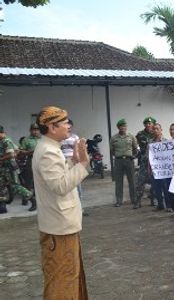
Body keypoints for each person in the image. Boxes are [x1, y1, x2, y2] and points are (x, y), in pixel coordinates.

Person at [33, 106, 90, 299]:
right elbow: (60, 186)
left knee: (70, 273)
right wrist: (82, 164)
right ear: (51, 127)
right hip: (59, 226)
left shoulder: (51, 147)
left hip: (60, 223)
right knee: (63, 278)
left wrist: (74, 161)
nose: (68, 126)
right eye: (65, 122)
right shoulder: (48, 151)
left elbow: (60, 176)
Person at [0, 125, 35, 213]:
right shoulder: (3, 141)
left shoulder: (6, 141)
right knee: (1, 186)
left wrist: (1, 159)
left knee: (15, 186)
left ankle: (32, 199)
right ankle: (2, 206)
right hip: (4, 168)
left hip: (9, 167)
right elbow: (17, 150)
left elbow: (11, 154)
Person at [110, 119, 138, 207]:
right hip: (118, 161)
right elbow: (112, 150)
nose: (123, 128)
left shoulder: (131, 137)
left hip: (129, 160)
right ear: (118, 127)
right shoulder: (114, 138)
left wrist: (132, 156)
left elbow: (135, 148)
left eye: (124, 126)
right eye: (121, 126)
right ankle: (119, 201)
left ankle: (134, 200)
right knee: (118, 181)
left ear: (126, 127)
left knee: (132, 181)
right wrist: (118, 155)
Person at [61, 119, 87, 216]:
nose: (68, 128)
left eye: (70, 126)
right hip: (63, 163)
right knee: (66, 186)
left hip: (74, 162)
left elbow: (78, 151)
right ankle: (68, 211)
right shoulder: (60, 138)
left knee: (77, 186)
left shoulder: (75, 137)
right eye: (67, 126)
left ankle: (80, 209)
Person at [135, 116, 156, 208]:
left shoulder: (156, 134)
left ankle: (153, 200)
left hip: (155, 162)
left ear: (153, 124)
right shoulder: (140, 134)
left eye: (150, 123)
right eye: (146, 123)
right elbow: (141, 143)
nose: (148, 125)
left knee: (155, 181)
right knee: (140, 181)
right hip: (144, 161)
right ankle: (138, 201)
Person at [18, 123, 41, 202]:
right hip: (30, 160)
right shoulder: (26, 140)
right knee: (29, 181)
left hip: (41, 162)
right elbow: (20, 151)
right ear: (30, 130)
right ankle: (26, 198)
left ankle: (36, 199)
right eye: (33, 130)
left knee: (39, 181)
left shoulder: (42, 139)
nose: (35, 132)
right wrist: (29, 152)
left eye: (37, 130)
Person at [149, 123, 169, 212]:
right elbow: (148, 157)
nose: (156, 130)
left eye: (157, 129)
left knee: (165, 187)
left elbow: (169, 156)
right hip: (155, 169)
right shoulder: (150, 142)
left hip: (164, 169)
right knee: (156, 187)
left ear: (161, 130)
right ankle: (160, 205)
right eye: (154, 129)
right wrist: (149, 168)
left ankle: (169, 205)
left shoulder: (166, 141)